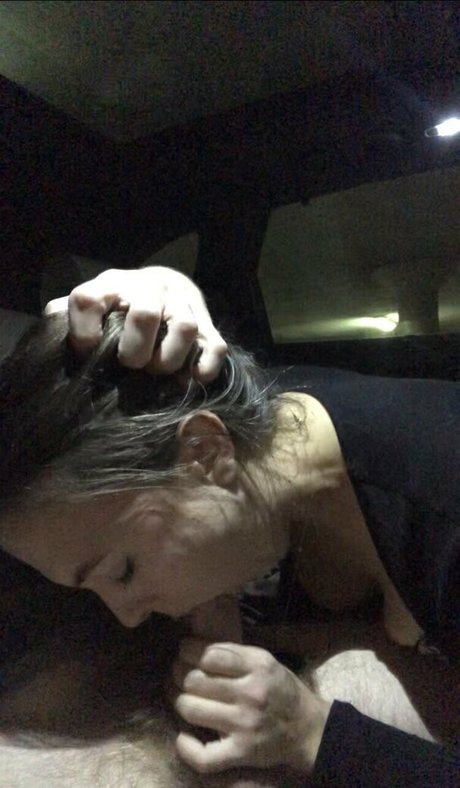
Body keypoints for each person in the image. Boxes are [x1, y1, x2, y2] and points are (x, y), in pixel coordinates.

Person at [0, 266, 458, 786]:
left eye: (123, 571)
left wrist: (314, 735)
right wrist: (166, 283)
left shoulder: (441, 504)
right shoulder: (274, 442)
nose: (128, 616)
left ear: (204, 451)